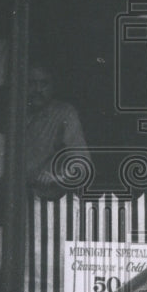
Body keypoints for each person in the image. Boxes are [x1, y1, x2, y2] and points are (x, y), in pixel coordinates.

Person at [25, 63, 88, 199]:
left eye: (44, 84)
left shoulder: (64, 114)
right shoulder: (13, 112)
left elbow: (82, 164)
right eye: (32, 83)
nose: (38, 90)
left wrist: (57, 176)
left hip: (45, 201)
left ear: (53, 85)